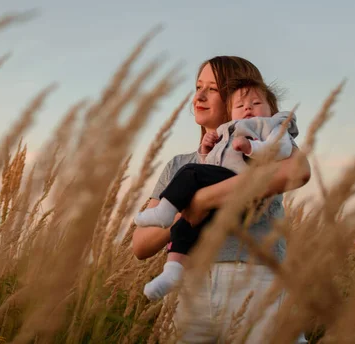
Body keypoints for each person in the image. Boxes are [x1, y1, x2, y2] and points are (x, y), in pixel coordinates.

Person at [132, 56, 311, 343]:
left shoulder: (263, 145)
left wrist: (202, 199)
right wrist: (188, 208)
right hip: (187, 289)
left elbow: (298, 171)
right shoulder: (180, 165)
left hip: (253, 280)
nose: (199, 96)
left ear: (240, 93)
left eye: (212, 89)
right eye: (197, 87)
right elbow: (140, 244)